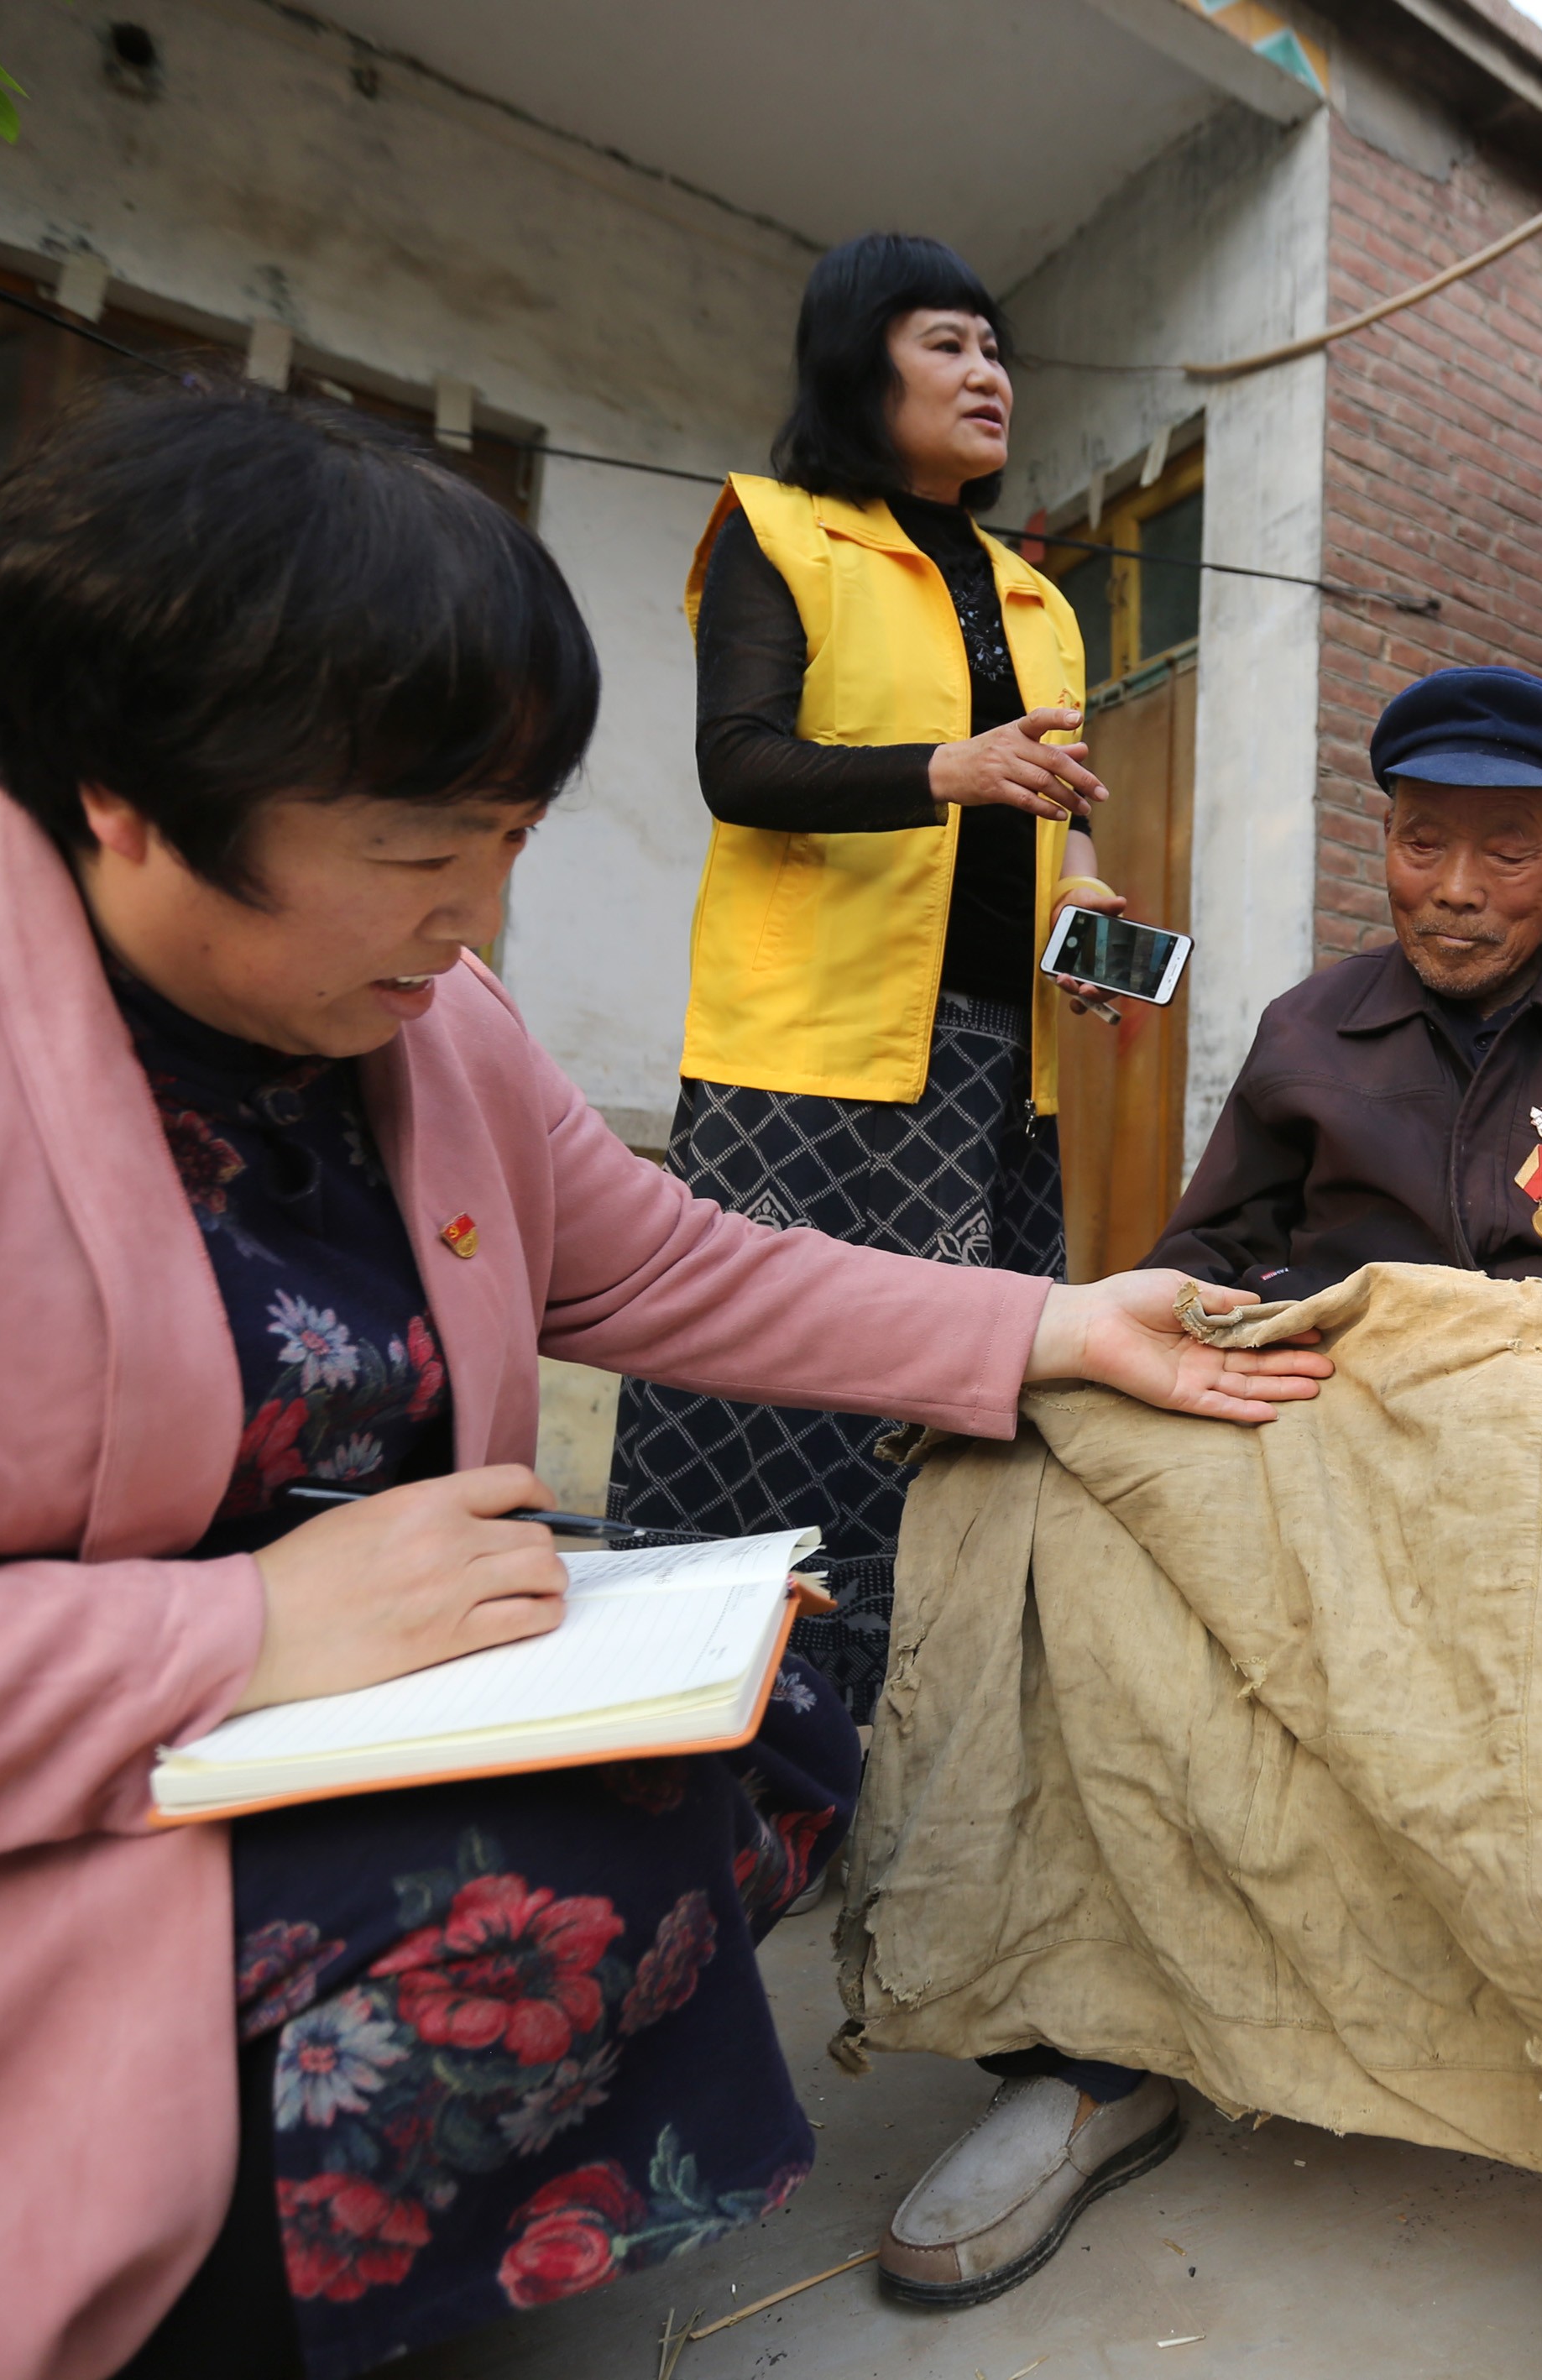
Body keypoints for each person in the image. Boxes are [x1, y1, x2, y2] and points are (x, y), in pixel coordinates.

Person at [0, 375, 1328, 2380]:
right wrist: (227, 1632)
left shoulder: (425, 1019)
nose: (476, 917)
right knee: (545, 1887)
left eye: (510, 838)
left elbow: (649, 1258)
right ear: (120, 788)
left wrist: (1048, 1323)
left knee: (766, 1705)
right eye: (410, 846)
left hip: (300, 1711)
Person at [880, 664, 1542, 2380]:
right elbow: (1209, 1251)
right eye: (1421, 843)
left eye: (1503, 850)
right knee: (1023, 1470)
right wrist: (1152, 1328)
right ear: (1383, 842)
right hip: (1335, 1420)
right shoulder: (1303, 1028)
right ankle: (1084, 2048)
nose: (1457, 889)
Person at [609, 232, 1153, 1714]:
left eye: (996, 352)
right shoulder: (777, 534)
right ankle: (698, 1720)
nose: (990, 376)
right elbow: (744, 765)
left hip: (994, 1068)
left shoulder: (1036, 599)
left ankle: (911, 1729)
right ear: (862, 364)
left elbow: (1057, 815)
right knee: (760, 1395)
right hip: (811, 1058)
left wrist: (1084, 917)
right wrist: (949, 767)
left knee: (956, 1402)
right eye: (949, 345)